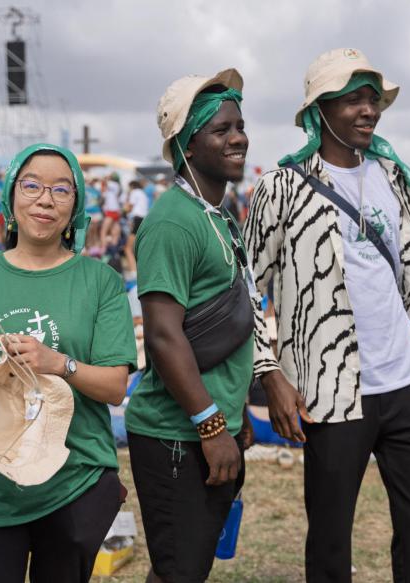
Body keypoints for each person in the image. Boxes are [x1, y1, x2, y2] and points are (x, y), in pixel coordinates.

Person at [243, 49, 410, 582]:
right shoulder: (282, 187)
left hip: (406, 377)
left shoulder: (391, 175)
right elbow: (248, 290)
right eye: (354, 98)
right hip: (332, 389)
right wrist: (268, 371)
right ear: (320, 109)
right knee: (329, 534)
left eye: (373, 98)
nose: (369, 109)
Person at [0, 143, 137, 582]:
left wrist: (58, 362)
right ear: (10, 197)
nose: (45, 199)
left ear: (76, 207)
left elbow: (116, 387)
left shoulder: (100, 281)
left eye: (61, 190)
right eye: (32, 186)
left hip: (74, 482)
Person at [126, 69, 255, 583]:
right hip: (175, 434)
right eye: (221, 130)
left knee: (186, 567)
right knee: (179, 570)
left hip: (213, 424)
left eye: (240, 126)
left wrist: (237, 407)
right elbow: (161, 334)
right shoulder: (173, 221)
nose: (239, 137)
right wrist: (210, 424)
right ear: (186, 144)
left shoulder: (217, 215)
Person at [123, 179, 149, 276]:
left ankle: (134, 273)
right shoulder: (143, 193)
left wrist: (123, 210)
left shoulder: (134, 192)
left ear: (132, 186)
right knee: (139, 248)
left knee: (128, 248)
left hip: (137, 219)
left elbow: (128, 208)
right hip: (145, 219)